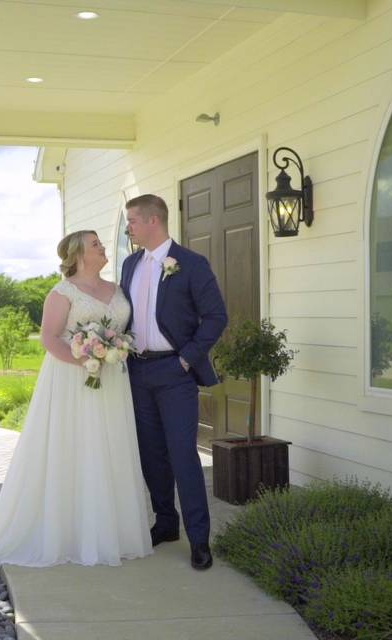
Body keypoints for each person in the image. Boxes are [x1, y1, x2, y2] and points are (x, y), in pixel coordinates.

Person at [0, 230, 152, 570]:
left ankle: (111, 531)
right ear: (79, 255)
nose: (102, 248)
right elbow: (49, 339)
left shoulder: (117, 289)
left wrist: (112, 352)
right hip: (73, 380)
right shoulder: (62, 292)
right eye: (96, 244)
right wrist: (87, 360)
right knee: (75, 447)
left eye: (101, 243)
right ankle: (69, 532)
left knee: (109, 446)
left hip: (113, 381)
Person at [120, 194, 228, 571]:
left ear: (153, 221)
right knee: (151, 454)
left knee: (183, 456)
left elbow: (216, 317)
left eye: (132, 220)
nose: (128, 227)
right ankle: (166, 524)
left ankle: (200, 540)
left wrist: (187, 358)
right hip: (137, 371)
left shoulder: (192, 264)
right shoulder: (129, 264)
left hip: (174, 372)